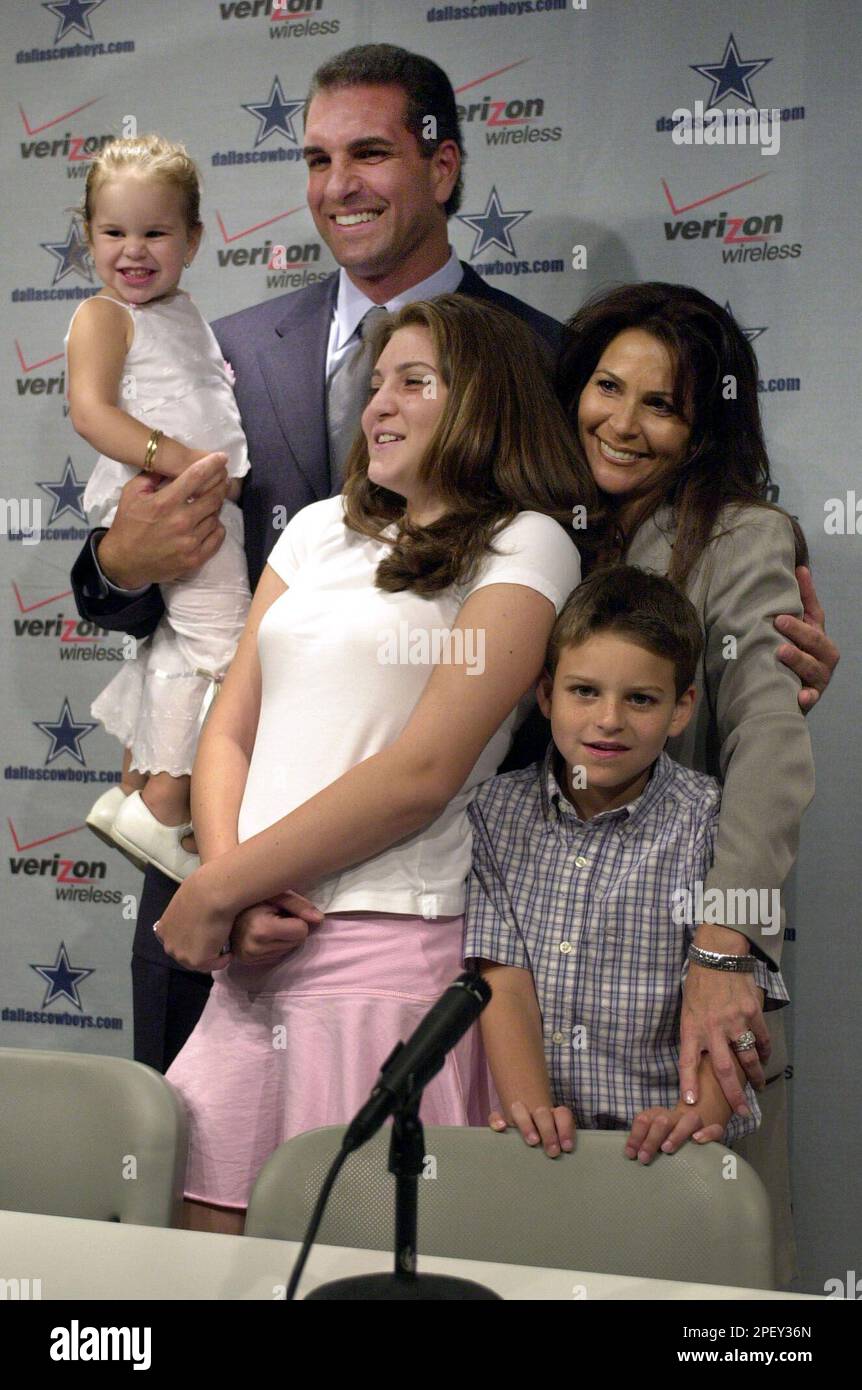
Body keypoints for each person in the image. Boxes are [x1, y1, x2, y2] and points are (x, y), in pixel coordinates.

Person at [68, 44, 568, 1073]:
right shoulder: (214, 346)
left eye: (370, 152)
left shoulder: (548, 359)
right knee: (189, 1167)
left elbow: (605, 604)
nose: (337, 185)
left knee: (390, 1192)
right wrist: (118, 560)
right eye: (315, 158)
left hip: (442, 881)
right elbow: (125, 584)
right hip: (215, 850)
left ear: (443, 166)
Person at [155, 294, 594, 1234]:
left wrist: (217, 889)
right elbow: (229, 730)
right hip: (254, 962)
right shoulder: (317, 529)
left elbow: (424, 770)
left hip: (385, 959)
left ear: (481, 402)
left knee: (352, 1263)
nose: (379, 404)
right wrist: (230, 897)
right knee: (205, 1260)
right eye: (376, 382)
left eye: (415, 382)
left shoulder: (530, 542)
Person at [550, 281, 817, 1280]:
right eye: (607, 387)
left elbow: (768, 753)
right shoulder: (539, 526)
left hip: (680, 980)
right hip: (543, 973)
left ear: (704, 425)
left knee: (706, 1284)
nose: (621, 423)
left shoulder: (743, 538)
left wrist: (722, 947)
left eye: (660, 404)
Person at [465, 566, 790, 1163]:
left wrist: (692, 1126)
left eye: (640, 698)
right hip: (546, 1152)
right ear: (545, 693)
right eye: (584, 691)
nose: (609, 718)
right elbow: (502, 978)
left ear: (681, 708)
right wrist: (534, 1119)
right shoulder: (494, 813)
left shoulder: (712, 821)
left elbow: (736, 1012)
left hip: (671, 1150)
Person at [66, 134, 250, 883]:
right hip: (175, 503)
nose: (133, 251)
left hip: (202, 502)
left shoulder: (183, 313)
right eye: (114, 232)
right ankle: (170, 807)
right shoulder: (104, 316)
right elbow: (91, 413)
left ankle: (134, 789)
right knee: (230, 658)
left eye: (155, 232)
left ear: (194, 239)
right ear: (88, 236)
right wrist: (185, 464)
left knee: (179, 646)